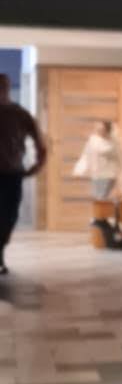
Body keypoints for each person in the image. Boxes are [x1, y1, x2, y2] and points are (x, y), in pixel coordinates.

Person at [0, 73, 47, 274]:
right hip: (12, 173)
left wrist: (38, 164)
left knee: (8, 217)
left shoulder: (20, 114)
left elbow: (40, 142)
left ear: (8, 88)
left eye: (3, 86)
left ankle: (0, 252)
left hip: (12, 174)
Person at [72, 118, 122, 202]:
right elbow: (86, 156)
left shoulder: (114, 142)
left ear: (107, 130)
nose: (100, 131)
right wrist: (79, 170)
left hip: (109, 175)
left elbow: (120, 158)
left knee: (101, 198)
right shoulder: (93, 141)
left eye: (102, 129)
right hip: (97, 174)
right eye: (98, 129)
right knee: (97, 198)